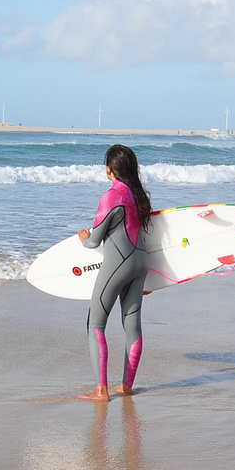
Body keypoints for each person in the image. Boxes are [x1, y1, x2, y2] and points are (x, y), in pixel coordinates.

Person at [76, 144, 153, 401]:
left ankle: (101, 391)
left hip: (119, 263)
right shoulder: (138, 197)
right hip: (142, 262)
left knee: (94, 323)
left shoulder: (111, 196)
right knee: (132, 326)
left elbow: (95, 240)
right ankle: (126, 387)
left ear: (110, 170)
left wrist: (84, 238)